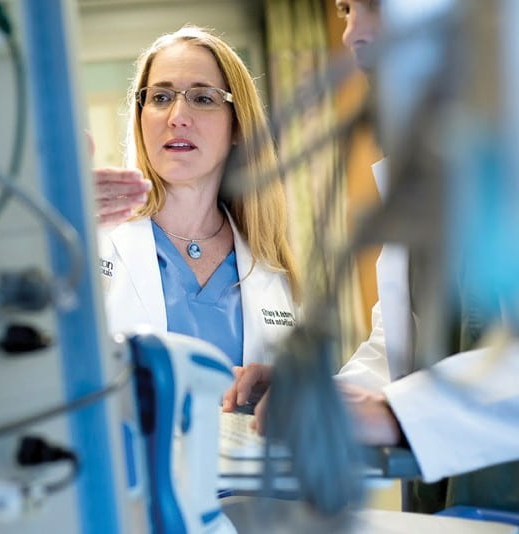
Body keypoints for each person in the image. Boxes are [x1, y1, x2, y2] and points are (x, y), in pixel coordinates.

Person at [226, 0, 519, 514]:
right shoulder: (434, 170)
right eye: (344, 9)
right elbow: (401, 347)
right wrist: (325, 395)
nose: (352, 36)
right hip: (452, 503)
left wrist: (397, 411)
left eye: (376, 7)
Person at [96, 25, 299, 369]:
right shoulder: (93, 240)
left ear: (237, 126)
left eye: (203, 98)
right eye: (161, 97)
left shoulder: (271, 267)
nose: (177, 118)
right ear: (140, 116)